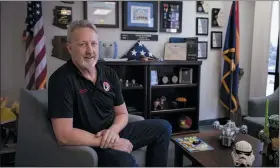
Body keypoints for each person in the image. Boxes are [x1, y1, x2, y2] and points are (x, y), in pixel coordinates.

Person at [48, 20, 172, 167]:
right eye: (82, 44)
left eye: (93, 44)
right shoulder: (61, 80)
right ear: (69, 48)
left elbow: (122, 113)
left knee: (163, 127)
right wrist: (108, 142)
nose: (90, 51)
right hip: (88, 141)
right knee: (125, 162)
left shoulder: (109, 73)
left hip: (112, 132)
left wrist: (113, 131)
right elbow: (64, 135)